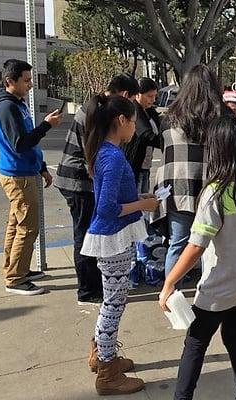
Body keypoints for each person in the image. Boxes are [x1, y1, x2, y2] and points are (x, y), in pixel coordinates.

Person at [159, 115, 236, 400]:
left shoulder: (214, 193)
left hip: (220, 285)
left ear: (217, 149)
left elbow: (195, 245)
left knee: (194, 342)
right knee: (235, 337)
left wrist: (169, 282)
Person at [80, 94, 158, 395]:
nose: (135, 129)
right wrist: (143, 205)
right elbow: (108, 208)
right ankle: (107, 370)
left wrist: (140, 202)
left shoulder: (105, 152)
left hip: (114, 236)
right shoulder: (111, 157)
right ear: (121, 121)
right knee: (114, 303)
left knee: (112, 300)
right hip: (113, 238)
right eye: (133, 122)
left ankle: (102, 354)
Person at [55, 74, 140, 305]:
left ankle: (95, 286)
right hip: (77, 182)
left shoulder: (99, 111)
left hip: (85, 180)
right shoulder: (94, 115)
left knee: (87, 232)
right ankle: (87, 290)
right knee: (84, 234)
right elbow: (93, 158)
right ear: (124, 96)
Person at [0, 59, 63, 295]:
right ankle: (16, 278)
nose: (30, 85)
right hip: (17, 174)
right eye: (27, 80)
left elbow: (28, 142)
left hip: (24, 170)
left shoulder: (17, 104)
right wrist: (46, 126)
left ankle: (15, 269)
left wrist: (41, 166)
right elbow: (20, 143)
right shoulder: (7, 108)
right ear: (10, 81)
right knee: (27, 227)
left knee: (16, 224)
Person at [152, 65, 225, 284]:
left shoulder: (170, 117)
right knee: (210, 244)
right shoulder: (219, 116)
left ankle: (171, 293)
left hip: (176, 188)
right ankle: (207, 292)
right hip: (210, 187)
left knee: (178, 243)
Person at [122, 77, 162, 192]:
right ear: (138, 94)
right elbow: (146, 134)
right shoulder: (134, 109)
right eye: (149, 96)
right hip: (133, 165)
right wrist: (166, 144)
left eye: (155, 96)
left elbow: (160, 128)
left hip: (145, 166)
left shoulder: (149, 111)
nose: (153, 100)